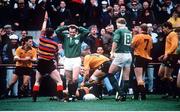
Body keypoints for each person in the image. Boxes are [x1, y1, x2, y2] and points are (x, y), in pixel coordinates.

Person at [55, 24, 89, 101]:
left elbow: (87, 31)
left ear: (76, 32)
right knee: (69, 79)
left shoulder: (79, 37)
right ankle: (70, 96)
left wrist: (78, 27)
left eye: (73, 32)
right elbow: (57, 31)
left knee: (75, 78)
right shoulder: (65, 37)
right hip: (67, 60)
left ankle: (73, 94)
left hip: (76, 59)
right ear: (68, 32)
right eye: (70, 32)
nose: (72, 33)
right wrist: (67, 27)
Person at [32, 28, 64, 102]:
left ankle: (34, 98)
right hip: (49, 64)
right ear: (52, 34)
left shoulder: (41, 39)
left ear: (45, 33)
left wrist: (45, 20)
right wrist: (57, 62)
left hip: (40, 63)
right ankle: (61, 97)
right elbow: (55, 54)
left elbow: (42, 29)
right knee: (59, 81)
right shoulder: (55, 44)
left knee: (37, 81)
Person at [107, 18, 133, 101]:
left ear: (118, 23)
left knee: (110, 74)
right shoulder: (129, 31)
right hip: (128, 54)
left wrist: (112, 52)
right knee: (126, 77)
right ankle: (123, 95)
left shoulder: (119, 31)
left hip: (120, 54)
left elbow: (115, 42)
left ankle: (121, 93)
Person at [131, 23, 153, 100]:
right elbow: (150, 47)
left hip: (139, 57)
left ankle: (143, 96)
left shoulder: (137, 36)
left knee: (139, 78)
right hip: (146, 58)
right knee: (140, 77)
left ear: (141, 29)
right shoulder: (150, 37)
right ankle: (137, 95)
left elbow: (132, 45)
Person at [158, 22, 179, 98]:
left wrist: (168, 54)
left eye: (163, 28)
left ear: (167, 27)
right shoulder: (169, 35)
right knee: (160, 74)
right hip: (168, 56)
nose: (163, 30)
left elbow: (175, 45)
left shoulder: (173, 34)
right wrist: (164, 55)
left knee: (167, 76)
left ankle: (174, 93)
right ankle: (171, 91)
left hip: (172, 56)